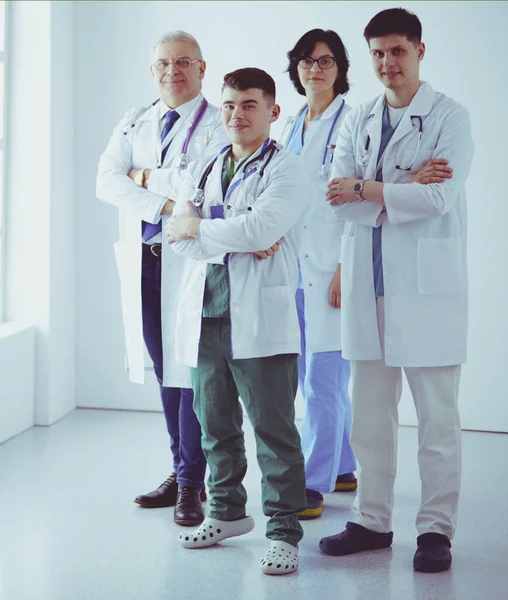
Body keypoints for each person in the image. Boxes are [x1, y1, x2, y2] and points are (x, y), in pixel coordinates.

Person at [319, 8, 474, 574]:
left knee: (437, 419)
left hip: (426, 291)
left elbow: (439, 199)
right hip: (368, 283)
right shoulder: (358, 116)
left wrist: (367, 187)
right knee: (368, 416)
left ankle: (435, 530)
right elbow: (337, 196)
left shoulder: (450, 118)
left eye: (398, 51)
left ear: (420, 51)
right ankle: (371, 520)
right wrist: (392, 188)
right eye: (378, 53)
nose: (388, 63)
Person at [164, 68, 308, 575]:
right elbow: (174, 236)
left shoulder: (288, 169)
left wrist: (202, 226)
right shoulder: (206, 164)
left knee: (273, 427)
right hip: (206, 313)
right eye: (228, 105)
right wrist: (231, 233)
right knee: (214, 421)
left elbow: (262, 227)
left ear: (273, 111)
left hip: (259, 315)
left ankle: (285, 530)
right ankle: (226, 513)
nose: (236, 114)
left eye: (249, 104)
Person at [96, 31, 229, 526]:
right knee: (161, 364)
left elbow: (201, 183)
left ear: (201, 67)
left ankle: (193, 482)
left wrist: (144, 177)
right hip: (146, 258)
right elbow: (106, 180)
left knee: (189, 366)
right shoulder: (135, 120)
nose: (172, 71)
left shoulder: (219, 122)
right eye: (162, 64)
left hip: (190, 261)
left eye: (183, 62)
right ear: (152, 71)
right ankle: (180, 468)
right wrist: (167, 198)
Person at [281, 29, 357, 520]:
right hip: (295, 268)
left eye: (325, 61)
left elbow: (360, 202)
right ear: (296, 68)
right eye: (307, 61)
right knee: (313, 374)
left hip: (333, 267)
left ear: (340, 68)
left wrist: (344, 270)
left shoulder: (354, 121)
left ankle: (311, 483)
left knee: (322, 381)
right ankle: (345, 466)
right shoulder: (291, 122)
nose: (315, 69)